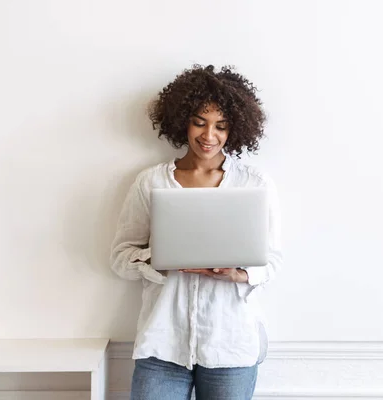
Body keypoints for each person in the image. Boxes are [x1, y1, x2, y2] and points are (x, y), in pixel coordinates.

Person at [110, 64, 282, 400]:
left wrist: (239, 273)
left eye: (221, 126)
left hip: (230, 346)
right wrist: (157, 259)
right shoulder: (151, 182)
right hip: (162, 348)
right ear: (183, 121)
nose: (208, 135)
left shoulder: (254, 183)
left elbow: (273, 260)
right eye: (199, 123)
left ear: (235, 128)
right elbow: (120, 257)